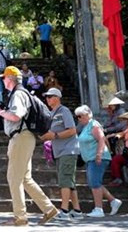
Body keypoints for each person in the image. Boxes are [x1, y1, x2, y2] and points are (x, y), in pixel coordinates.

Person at [0, 66, 59, 226]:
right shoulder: (20, 93)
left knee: (14, 178)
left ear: (10, 79)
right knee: (25, 178)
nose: (2, 80)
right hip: (24, 138)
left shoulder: (19, 94)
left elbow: (15, 115)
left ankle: (20, 218)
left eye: (4, 78)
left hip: (21, 138)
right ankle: (49, 209)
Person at [40, 88, 83, 220]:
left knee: (65, 181)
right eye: (46, 97)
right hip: (60, 151)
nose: (47, 99)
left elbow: (72, 130)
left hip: (68, 150)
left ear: (57, 97)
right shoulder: (52, 113)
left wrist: (55, 135)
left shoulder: (64, 111)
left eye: (50, 96)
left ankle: (64, 211)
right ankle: (77, 210)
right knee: (69, 181)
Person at [75, 104, 122, 218]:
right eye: (77, 116)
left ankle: (99, 209)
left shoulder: (94, 125)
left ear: (87, 115)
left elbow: (101, 139)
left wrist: (99, 154)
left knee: (94, 183)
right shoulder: (86, 127)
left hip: (96, 158)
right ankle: (113, 201)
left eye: (80, 116)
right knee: (94, 182)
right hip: (90, 158)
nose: (79, 119)